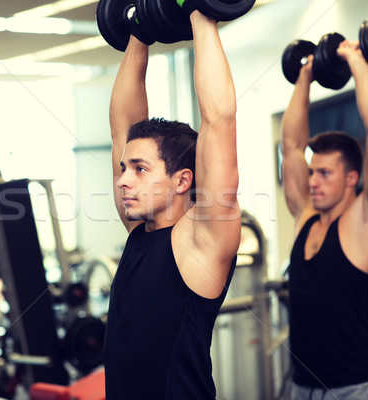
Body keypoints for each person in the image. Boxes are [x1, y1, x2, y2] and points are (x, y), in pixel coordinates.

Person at [102, 8, 241, 400]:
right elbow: (122, 127)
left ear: (182, 180)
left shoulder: (201, 242)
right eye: (125, 168)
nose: (123, 179)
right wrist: (139, 30)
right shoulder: (139, 230)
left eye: (140, 169)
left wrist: (203, 15)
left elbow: (220, 120)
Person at [281, 40, 368, 399]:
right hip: (304, 387)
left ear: (351, 178)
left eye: (325, 174)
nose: (312, 181)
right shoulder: (306, 217)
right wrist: (305, 76)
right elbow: (292, 146)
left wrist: (355, 58)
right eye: (312, 172)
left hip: (358, 389)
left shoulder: (367, 220)